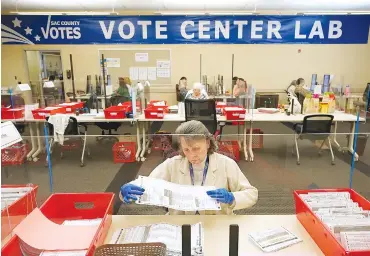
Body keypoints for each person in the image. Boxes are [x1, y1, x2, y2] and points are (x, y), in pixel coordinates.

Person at [120, 120, 258, 215]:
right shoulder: (173, 164)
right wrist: (127, 190)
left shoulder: (225, 164)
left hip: (216, 222)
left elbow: (251, 194)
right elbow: (146, 185)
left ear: (208, 143)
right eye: (186, 149)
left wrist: (231, 197)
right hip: (180, 224)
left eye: (196, 149)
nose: (192, 156)